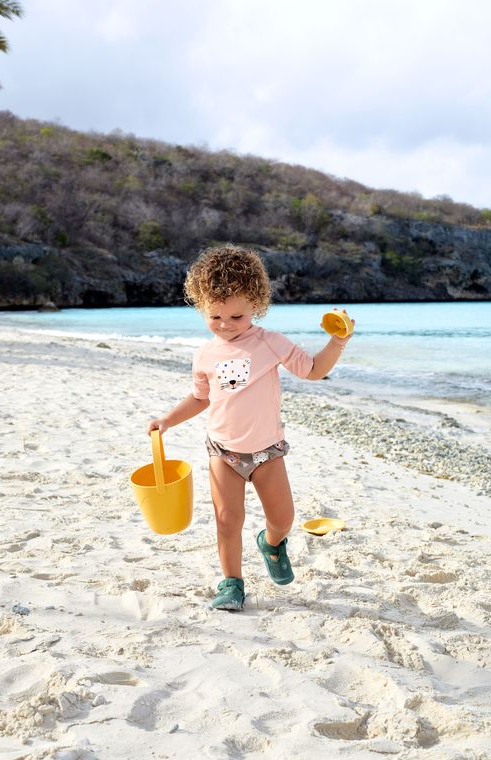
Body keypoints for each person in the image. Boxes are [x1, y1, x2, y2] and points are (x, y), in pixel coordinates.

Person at [147, 245, 354, 611]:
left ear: (256, 305)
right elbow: (200, 398)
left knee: (283, 519)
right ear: (200, 307)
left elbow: (313, 371)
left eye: (237, 316)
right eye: (215, 317)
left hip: (267, 452)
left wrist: (337, 342)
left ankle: (271, 544)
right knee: (227, 520)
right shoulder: (204, 355)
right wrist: (167, 420)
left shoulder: (270, 343)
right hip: (222, 452)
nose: (226, 325)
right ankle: (231, 583)